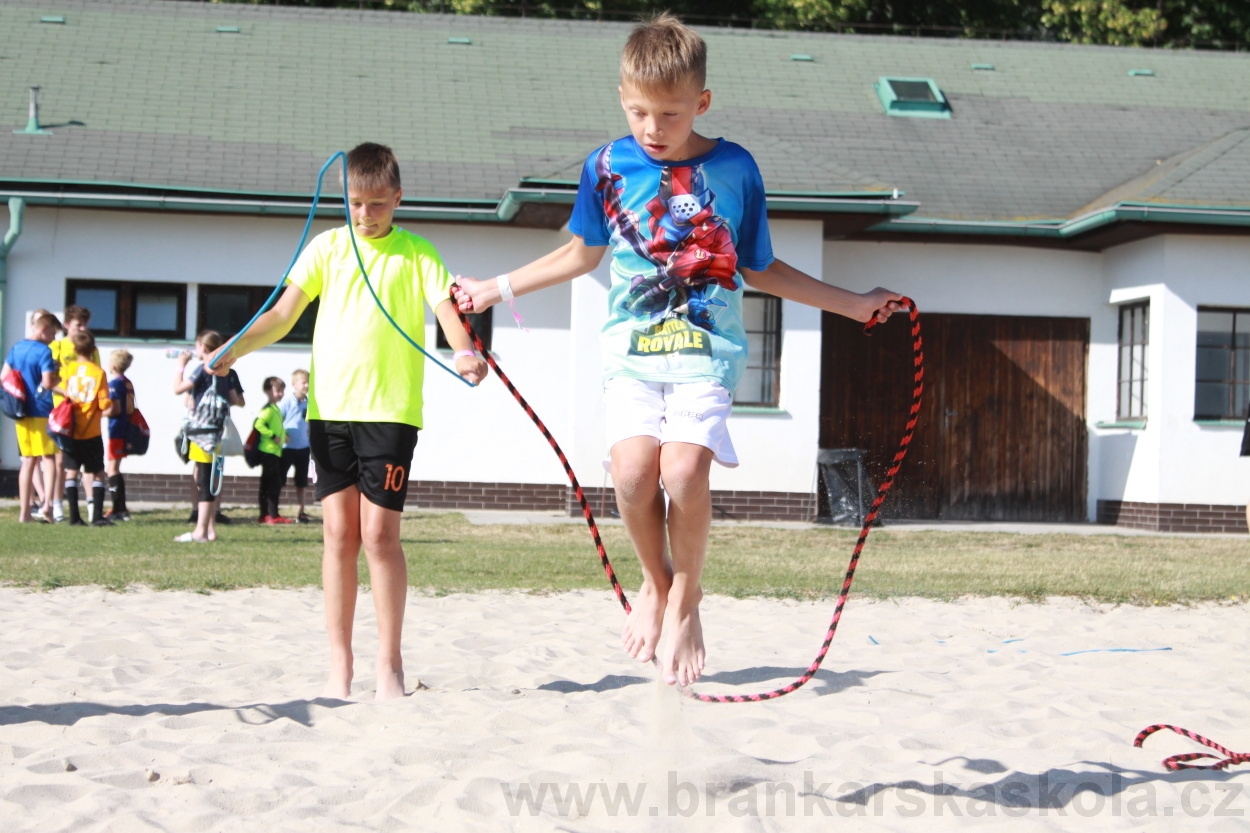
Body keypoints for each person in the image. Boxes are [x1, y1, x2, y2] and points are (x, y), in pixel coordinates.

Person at [453, 13, 903, 688]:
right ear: (621, 98)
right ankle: (656, 584)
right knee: (634, 475)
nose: (652, 129)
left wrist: (854, 303)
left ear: (702, 102)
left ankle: (686, 600)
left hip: (705, 347)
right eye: (638, 112)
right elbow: (583, 252)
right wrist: (495, 286)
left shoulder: (734, 168)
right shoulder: (606, 167)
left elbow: (762, 268)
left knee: (684, 473)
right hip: (631, 349)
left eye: (668, 113)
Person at [206, 142, 486, 700]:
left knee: (380, 537)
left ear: (397, 199)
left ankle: (389, 664)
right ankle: (340, 665)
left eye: (377, 204)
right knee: (338, 535)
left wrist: (464, 352)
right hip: (328, 413)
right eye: (356, 203)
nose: (365, 214)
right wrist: (237, 347)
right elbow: (283, 315)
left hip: (390, 414)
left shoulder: (419, 254)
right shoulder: (327, 249)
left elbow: (447, 313)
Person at [174, 330, 244, 543]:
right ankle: (211, 530)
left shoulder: (203, 370)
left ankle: (200, 532)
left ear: (203, 348)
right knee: (213, 479)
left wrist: (180, 365)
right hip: (219, 432)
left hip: (202, 433)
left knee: (203, 480)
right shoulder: (227, 371)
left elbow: (178, 389)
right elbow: (236, 400)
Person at [3, 311, 61, 523]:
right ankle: (47, 506)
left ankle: (24, 514)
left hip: (21, 411)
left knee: (28, 462)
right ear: (44, 329)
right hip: (40, 410)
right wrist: (61, 381)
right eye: (53, 333)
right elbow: (47, 383)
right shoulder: (44, 352)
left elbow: (3, 377)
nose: (54, 338)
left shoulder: (16, 347)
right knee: (49, 459)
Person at [55, 331, 117, 527]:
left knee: (71, 471)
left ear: (74, 349)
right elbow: (104, 402)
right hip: (91, 430)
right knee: (97, 472)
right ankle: (97, 517)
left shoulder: (69, 370)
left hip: (71, 428)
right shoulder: (98, 373)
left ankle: (74, 517)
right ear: (93, 350)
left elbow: (63, 389)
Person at [50, 305, 101, 523]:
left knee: (91, 463)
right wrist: (69, 391)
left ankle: (91, 506)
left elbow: (96, 378)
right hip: (63, 410)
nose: (82, 328)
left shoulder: (92, 349)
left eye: (85, 324)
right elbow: (49, 379)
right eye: (78, 324)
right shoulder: (57, 347)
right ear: (67, 325)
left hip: (87, 414)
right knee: (63, 460)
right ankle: (57, 505)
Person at [104, 349, 136, 521]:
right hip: (125, 428)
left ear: (114, 365)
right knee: (114, 467)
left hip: (117, 429)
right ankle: (120, 508)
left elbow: (115, 408)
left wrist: (97, 413)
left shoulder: (115, 384)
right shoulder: (127, 382)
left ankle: (119, 509)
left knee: (112, 469)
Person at [255, 376, 291, 524]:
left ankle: (266, 514)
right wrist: (273, 436)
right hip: (268, 451)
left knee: (269, 483)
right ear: (267, 391)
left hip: (275, 451)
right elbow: (259, 424)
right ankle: (271, 514)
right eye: (278, 391)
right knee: (272, 484)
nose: (281, 394)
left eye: (282, 391)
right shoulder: (268, 409)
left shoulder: (275, 408)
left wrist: (284, 436)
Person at [279, 368, 313, 522]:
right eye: (303, 382)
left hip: (303, 448)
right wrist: (282, 435)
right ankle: (274, 510)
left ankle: (301, 511)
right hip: (287, 449)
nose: (306, 385)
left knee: (301, 481)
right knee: (280, 479)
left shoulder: (309, 403)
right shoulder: (287, 402)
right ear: (294, 384)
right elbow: (278, 420)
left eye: (308, 382)